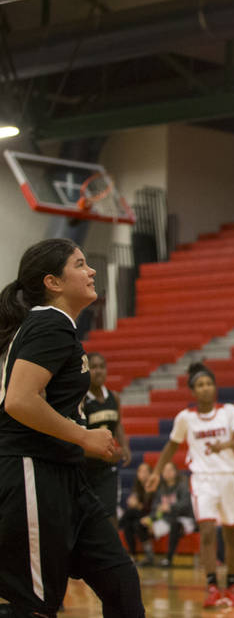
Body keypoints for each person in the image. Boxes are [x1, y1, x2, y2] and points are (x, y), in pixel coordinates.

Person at [0, 239, 144, 618]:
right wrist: (83, 436)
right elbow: (19, 400)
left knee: (122, 583)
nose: (91, 270)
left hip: (67, 478)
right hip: (31, 471)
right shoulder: (48, 323)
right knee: (34, 607)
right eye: (80, 264)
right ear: (53, 282)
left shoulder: (55, 327)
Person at [147, 362, 234, 608]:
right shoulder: (185, 417)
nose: (205, 388)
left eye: (209, 383)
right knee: (207, 531)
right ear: (193, 391)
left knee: (233, 534)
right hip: (202, 480)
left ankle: (231, 586)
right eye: (200, 385)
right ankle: (213, 586)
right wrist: (157, 472)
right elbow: (172, 445)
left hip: (229, 476)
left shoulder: (229, 411)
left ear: (215, 387)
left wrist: (223, 446)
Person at [81, 352, 131, 525]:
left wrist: (124, 446)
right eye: (93, 367)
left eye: (102, 367)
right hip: (86, 467)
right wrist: (102, 453)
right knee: (87, 518)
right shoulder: (82, 400)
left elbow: (117, 424)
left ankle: (113, 552)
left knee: (110, 516)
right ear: (86, 371)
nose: (98, 371)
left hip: (107, 468)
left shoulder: (114, 397)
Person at [148, 461, 194, 567]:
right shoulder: (161, 488)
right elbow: (155, 506)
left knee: (175, 524)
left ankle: (169, 558)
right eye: (165, 470)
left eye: (170, 470)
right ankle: (148, 557)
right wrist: (151, 518)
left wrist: (170, 507)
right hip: (166, 519)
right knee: (141, 525)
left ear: (176, 472)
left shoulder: (182, 485)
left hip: (184, 518)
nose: (167, 473)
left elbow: (186, 504)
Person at [121, 463, 156, 566]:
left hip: (152, 516)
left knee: (132, 518)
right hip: (139, 515)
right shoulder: (137, 486)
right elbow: (134, 502)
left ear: (151, 474)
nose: (143, 474)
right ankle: (133, 555)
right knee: (129, 524)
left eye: (146, 471)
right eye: (140, 471)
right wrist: (132, 502)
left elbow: (155, 506)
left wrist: (139, 506)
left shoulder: (155, 485)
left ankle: (119, 523)